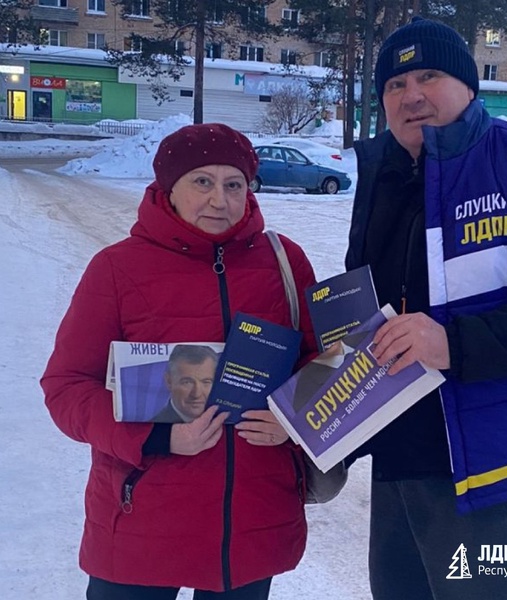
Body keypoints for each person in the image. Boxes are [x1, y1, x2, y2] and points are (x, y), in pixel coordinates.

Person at [345, 16, 507, 600]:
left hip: (492, 467)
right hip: (398, 454)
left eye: (428, 75)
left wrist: (452, 344)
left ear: (467, 83)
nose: (411, 96)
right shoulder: (380, 173)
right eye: (394, 85)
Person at [41, 123, 318, 600]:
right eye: (202, 182)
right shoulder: (117, 268)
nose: (219, 200)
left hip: (251, 522)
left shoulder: (283, 261)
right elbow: (67, 387)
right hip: (142, 523)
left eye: (234, 184)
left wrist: (294, 418)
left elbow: (319, 361)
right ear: (169, 189)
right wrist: (159, 436)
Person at [151, 345, 219, 423]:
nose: (196, 394)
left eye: (206, 382)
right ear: (169, 381)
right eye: (187, 382)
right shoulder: (152, 427)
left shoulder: (227, 420)